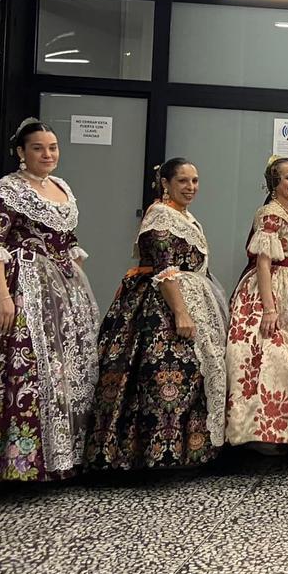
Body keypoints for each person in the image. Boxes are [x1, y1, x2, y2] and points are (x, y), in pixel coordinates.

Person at [0, 118, 99, 483]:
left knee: (63, 369)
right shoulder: (7, 189)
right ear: (21, 152)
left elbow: (67, 238)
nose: (47, 154)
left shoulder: (61, 187)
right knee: (9, 368)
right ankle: (4, 463)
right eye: (38, 148)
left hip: (62, 290)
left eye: (52, 147)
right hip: (18, 283)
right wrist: (2, 295)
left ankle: (63, 457)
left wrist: (72, 263)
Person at [85, 159, 228, 470]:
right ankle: (147, 453)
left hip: (194, 296)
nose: (191, 187)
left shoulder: (185, 216)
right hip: (161, 303)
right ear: (166, 183)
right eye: (183, 181)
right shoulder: (160, 215)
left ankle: (189, 450)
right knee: (159, 373)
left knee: (192, 373)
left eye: (195, 181)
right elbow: (164, 267)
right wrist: (180, 312)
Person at [225, 157, 288, 449]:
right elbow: (263, 264)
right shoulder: (270, 214)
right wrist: (269, 308)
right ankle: (264, 434)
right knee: (271, 358)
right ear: (275, 183)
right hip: (272, 288)